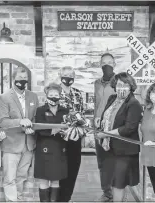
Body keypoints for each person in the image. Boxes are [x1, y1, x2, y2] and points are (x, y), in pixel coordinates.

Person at [95, 72, 143, 202]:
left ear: (131, 86)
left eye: (125, 85)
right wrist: (100, 127)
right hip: (110, 148)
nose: (121, 87)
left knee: (119, 183)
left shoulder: (134, 104)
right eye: (119, 84)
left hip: (125, 151)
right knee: (114, 181)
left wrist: (105, 134)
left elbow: (129, 128)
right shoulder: (112, 98)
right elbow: (107, 117)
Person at [0, 67, 39, 201]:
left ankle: (19, 199)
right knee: (10, 179)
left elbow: (35, 118)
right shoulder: (3, 98)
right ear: (13, 79)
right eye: (20, 79)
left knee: (22, 177)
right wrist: (21, 121)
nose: (22, 81)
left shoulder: (33, 96)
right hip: (11, 145)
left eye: (25, 79)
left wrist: (32, 127)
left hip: (28, 145)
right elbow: (2, 121)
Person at [34, 83, 70, 202]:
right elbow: (38, 129)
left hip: (60, 148)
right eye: (51, 94)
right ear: (46, 95)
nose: (53, 96)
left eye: (56, 94)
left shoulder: (65, 110)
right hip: (44, 149)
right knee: (44, 180)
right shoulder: (40, 110)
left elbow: (68, 128)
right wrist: (55, 130)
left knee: (56, 180)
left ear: (60, 95)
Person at [58, 66, 85, 202]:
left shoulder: (78, 93)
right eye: (65, 74)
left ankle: (67, 198)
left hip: (76, 136)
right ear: (60, 75)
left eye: (71, 75)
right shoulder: (54, 92)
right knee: (60, 168)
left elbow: (83, 114)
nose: (68, 77)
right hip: (60, 137)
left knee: (74, 166)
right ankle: (58, 198)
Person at [93, 53, 117, 202]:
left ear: (114, 64)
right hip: (98, 128)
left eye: (109, 62)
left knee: (115, 161)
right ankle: (107, 193)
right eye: (104, 63)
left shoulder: (120, 82)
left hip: (113, 128)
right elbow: (97, 104)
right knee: (102, 161)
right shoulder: (96, 83)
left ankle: (118, 193)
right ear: (100, 64)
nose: (106, 65)